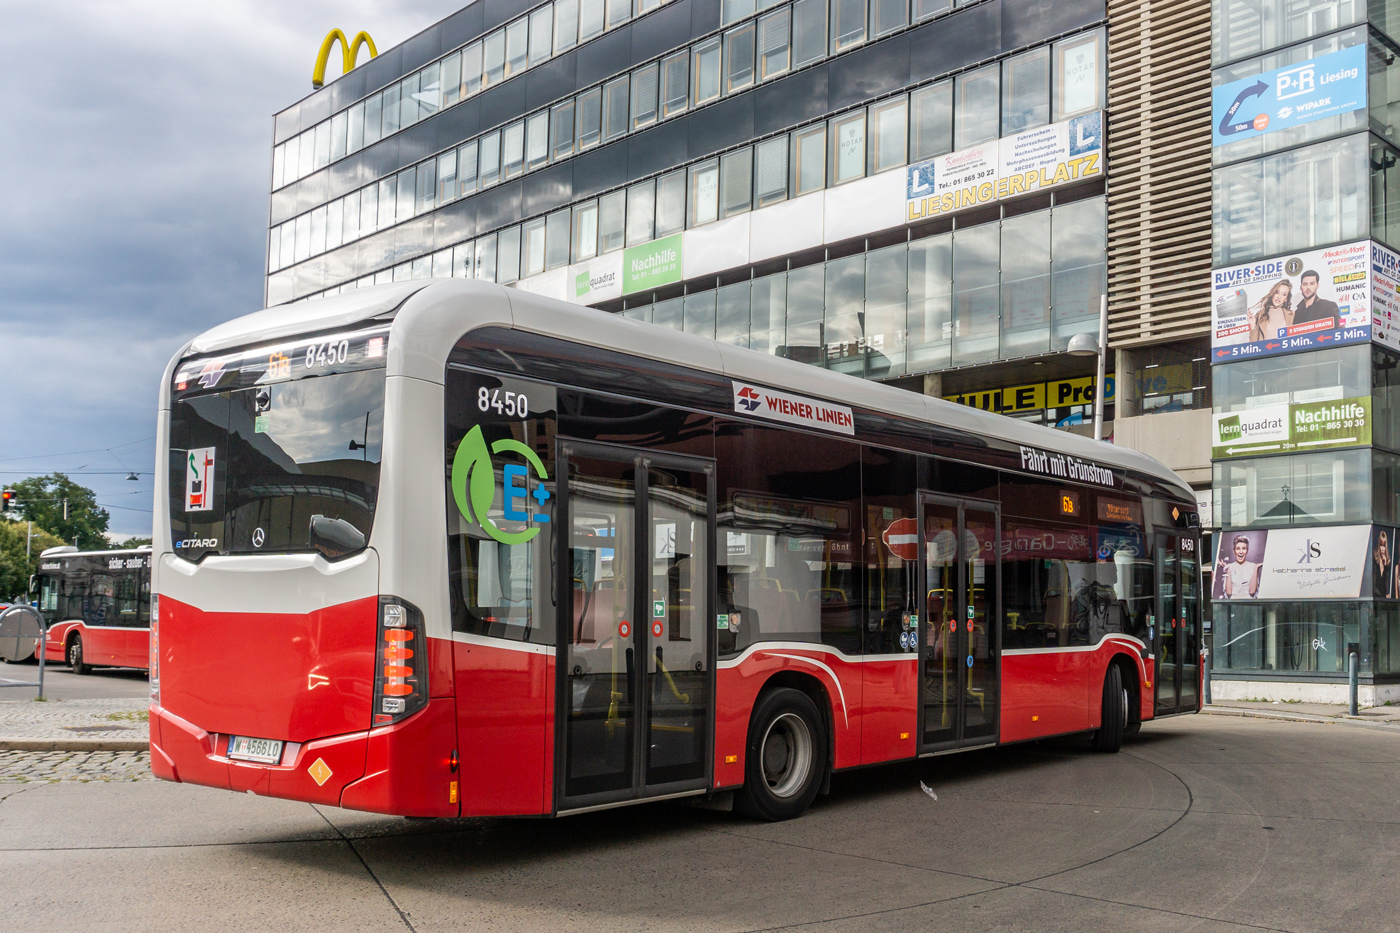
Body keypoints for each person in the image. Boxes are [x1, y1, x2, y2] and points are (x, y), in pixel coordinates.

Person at [1218, 535, 1262, 599]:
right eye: (1238, 549)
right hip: (1233, 605)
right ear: (1234, 551)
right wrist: (1228, 569)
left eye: (1244, 548)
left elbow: (1252, 591)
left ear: (1247, 551)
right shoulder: (1229, 567)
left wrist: (1255, 568)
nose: (1241, 552)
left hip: (1250, 604)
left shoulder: (1253, 566)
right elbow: (1229, 592)